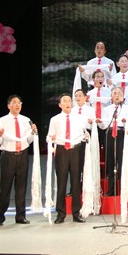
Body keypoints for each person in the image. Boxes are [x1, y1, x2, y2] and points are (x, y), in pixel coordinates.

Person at [0, 95, 37, 225]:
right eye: (14, 102)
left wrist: (33, 132)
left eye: (19, 103)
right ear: (8, 106)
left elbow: (28, 140)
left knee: (21, 187)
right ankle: (0, 215)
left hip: (22, 155)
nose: (17, 105)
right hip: (8, 156)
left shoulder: (26, 120)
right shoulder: (1, 121)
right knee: (5, 187)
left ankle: (20, 216)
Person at [49, 93, 89, 223]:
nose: (67, 103)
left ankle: (76, 213)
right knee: (61, 183)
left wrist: (86, 136)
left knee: (76, 182)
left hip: (75, 150)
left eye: (69, 101)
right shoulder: (55, 119)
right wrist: (51, 139)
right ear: (60, 105)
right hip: (61, 151)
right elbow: (49, 137)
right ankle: (60, 214)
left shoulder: (79, 118)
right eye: (64, 101)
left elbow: (83, 133)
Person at [100, 87, 127, 196]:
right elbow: (103, 126)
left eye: (119, 93)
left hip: (121, 133)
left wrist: (125, 122)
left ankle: (122, 189)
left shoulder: (126, 108)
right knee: (110, 162)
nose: (117, 95)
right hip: (110, 134)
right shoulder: (106, 109)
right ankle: (111, 189)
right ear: (111, 96)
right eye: (115, 93)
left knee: (122, 161)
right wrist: (99, 122)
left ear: (123, 96)